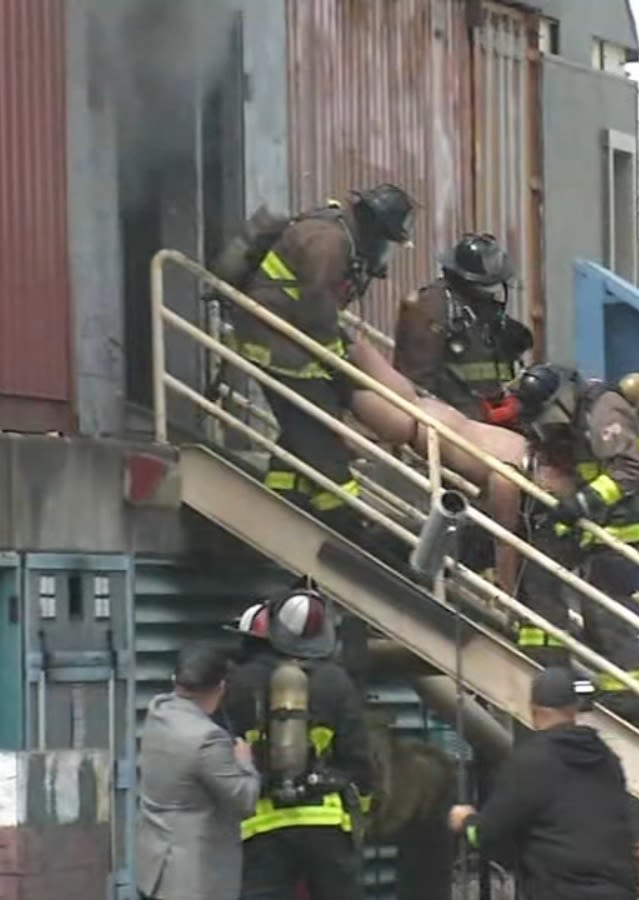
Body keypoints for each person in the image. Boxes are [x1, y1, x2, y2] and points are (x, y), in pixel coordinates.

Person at [221, 184, 417, 538]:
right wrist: (337, 354)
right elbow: (316, 306)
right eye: (386, 240)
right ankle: (343, 515)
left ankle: (286, 494)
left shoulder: (338, 234)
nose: (384, 250)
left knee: (301, 425)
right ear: (374, 228)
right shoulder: (330, 243)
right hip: (276, 340)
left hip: (287, 335)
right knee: (321, 428)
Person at [509, 363, 639, 724]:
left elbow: (627, 471)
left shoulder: (605, 410)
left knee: (605, 613)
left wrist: (581, 504)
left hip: (623, 529)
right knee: (540, 566)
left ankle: (625, 696)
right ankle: (548, 661)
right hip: (592, 523)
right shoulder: (572, 417)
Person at [220, 589, 375, 900]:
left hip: (263, 825)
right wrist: (363, 811)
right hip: (327, 824)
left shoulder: (239, 682)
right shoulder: (337, 681)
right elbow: (359, 761)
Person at [446, 667, 638, 900]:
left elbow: (489, 834)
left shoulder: (530, 762)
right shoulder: (607, 759)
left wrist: (465, 821)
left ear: (534, 710)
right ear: (574, 708)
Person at [135, 642, 262, 900]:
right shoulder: (208, 738)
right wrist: (245, 762)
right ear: (221, 687)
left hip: (155, 867)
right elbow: (245, 799)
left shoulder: (157, 713)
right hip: (193, 878)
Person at [393, 232, 533, 425]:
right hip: (453, 426)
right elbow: (418, 383)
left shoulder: (480, 309)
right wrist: (471, 416)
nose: (493, 297)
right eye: (488, 288)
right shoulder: (432, 307)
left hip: (487, 419)